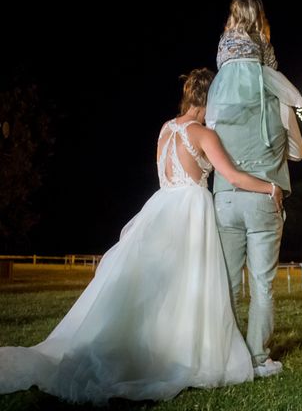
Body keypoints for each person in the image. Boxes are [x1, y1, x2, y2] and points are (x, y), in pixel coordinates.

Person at [0, 68, 283, 405]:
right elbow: (234, 176)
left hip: (161, 206)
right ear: (209, 99)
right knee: (187, 285)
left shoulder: (166, 129)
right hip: (190, 211)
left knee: (157, 287)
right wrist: (270, 186)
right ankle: (182, 350)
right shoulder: (203, 134)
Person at [205, 0, 302, 378]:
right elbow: (296, 151)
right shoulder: (275, 86)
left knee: (228, 282)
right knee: (262, 285)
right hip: (265, 195)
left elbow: (212, 150)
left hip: (226, 198)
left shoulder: (217, 92)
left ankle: (226, 357)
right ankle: (258, 359)